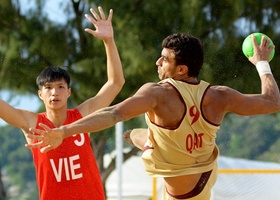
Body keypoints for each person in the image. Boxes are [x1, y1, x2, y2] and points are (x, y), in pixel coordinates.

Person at [27, 33, 279, 200]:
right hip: (208, 171)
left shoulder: (157, 93)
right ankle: (144, 138)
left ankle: (143, 139)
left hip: (183, 194)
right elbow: (272, 102)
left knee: (149, 143)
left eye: (165, 59)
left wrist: (64, 131)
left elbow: (113, 113)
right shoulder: (220, 95)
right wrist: (262, 63)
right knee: (155, 138)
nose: (158, 61)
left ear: (181, 69)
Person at [0, 6, 124, 200]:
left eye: (60, 87)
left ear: (69, 92)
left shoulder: (82, 117)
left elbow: (116, 83)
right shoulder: (32, 124)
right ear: (40, 94)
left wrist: (109, 41)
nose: (54, 92)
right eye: (48, 88)